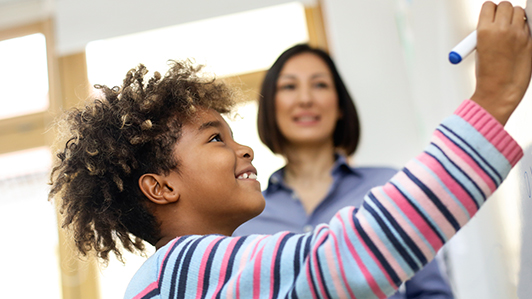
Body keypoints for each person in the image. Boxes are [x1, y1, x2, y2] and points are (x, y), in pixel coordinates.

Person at [48, 2, 531, 298]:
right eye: (216, 138)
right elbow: (351, 256)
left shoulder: (200, 271)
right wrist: (489, 103)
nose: (246, 152)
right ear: (160, 186)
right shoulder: (179, 271)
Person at [232, 42, 451, 299]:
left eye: (320, 85)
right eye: (289, 86)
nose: (305, 99)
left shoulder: (389, 187)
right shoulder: (246, 218)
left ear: (340, 106)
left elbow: (432, 293)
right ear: (270, 107)